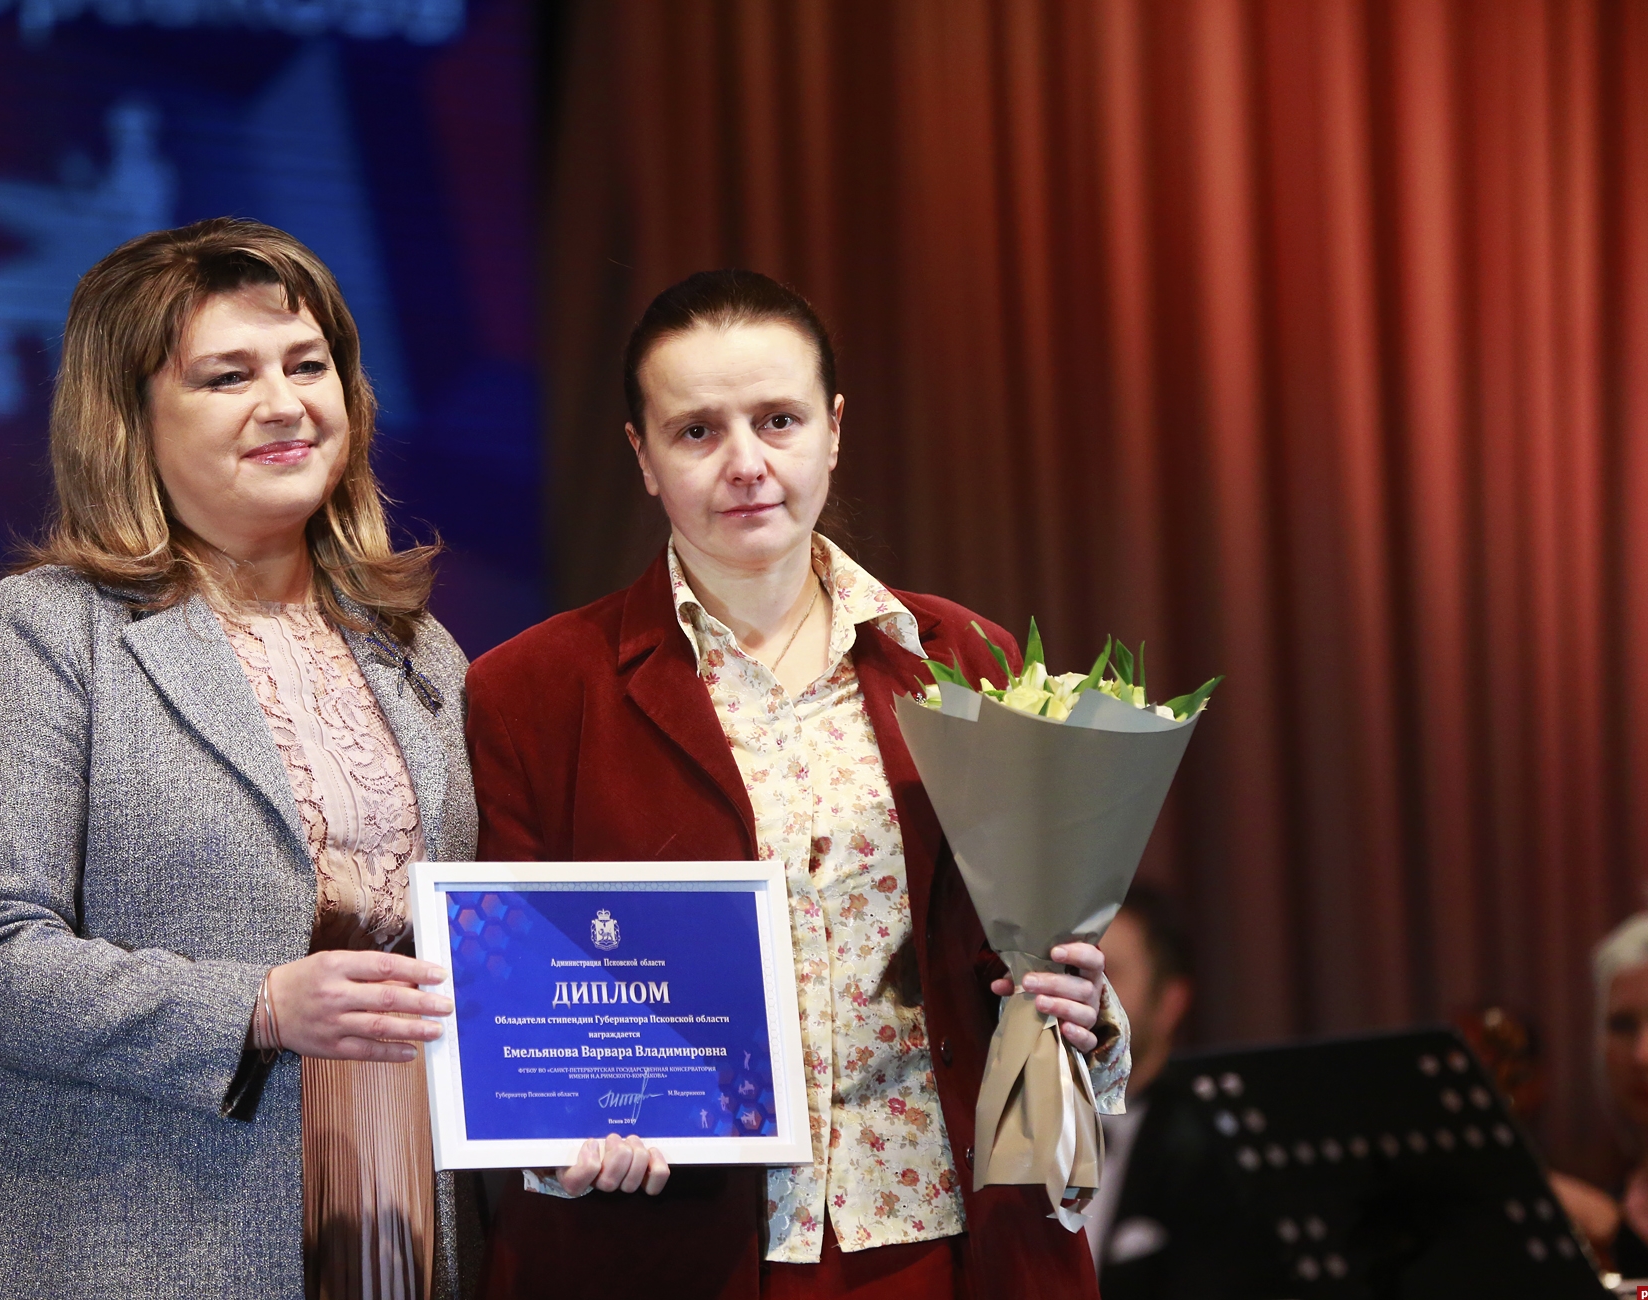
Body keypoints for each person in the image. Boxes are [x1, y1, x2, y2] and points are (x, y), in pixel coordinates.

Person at [464, 269, 1131, 1299]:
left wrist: (1077, 1000)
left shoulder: (966, 656)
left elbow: (1015, 952)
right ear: (642, 457)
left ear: (834, 429)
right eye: (696, 432)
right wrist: (559, 1134)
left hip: (951, 1241)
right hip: (681, 1254)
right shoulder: (534, 690)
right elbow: (516, 1005)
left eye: (779, 420)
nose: (746, 464)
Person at [0, 218, 477, 1300]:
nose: (285, 403)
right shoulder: (52, 630)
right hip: (124, 1247)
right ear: (130, 421)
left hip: (393, 1223)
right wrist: (257, 1005)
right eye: (227, 376)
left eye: (308, 365)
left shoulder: (419, 651)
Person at [1551, 886, 1648, 1280]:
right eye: (1622, 1026)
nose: (1643, 1055)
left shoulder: (1606, 1222)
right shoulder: (1597, 1210)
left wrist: (1620, 1239)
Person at [1080, 885, 1194, 1276]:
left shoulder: (1206, 1149)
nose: (1080, 994)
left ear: (1169, 1003)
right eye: (1071, 973)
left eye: (1105, 974)